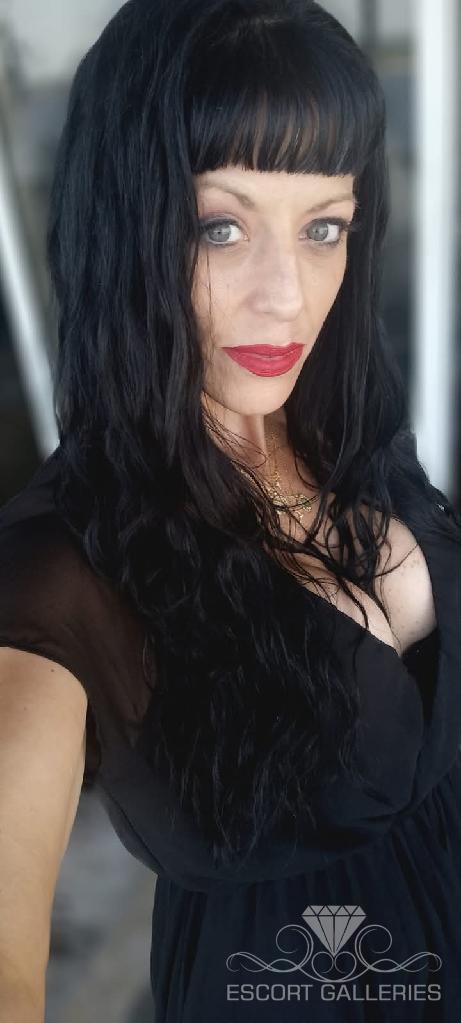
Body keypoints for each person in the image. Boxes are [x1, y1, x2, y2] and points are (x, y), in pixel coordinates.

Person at [0, 0, 460, 1019]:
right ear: (126, 226)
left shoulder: (345, 426)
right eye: (220, 226)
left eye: (322, 227)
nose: (286, 297)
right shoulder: (59, 566)